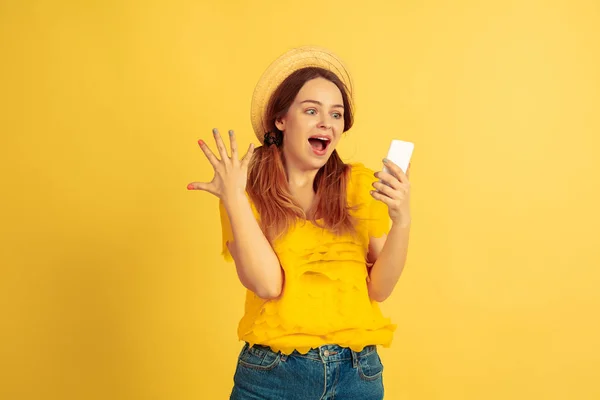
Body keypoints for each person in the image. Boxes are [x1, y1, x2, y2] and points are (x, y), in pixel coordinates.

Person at [187, 47, 412, 400]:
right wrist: (233, 198)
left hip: (358, 375)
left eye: (336, 115)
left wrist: (401, 221)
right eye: (311, 110)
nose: (326, 123)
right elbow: (267, 285)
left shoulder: (360, 185)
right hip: (272, 376)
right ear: (281, 119)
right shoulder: (242, 188)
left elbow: (379, 289)